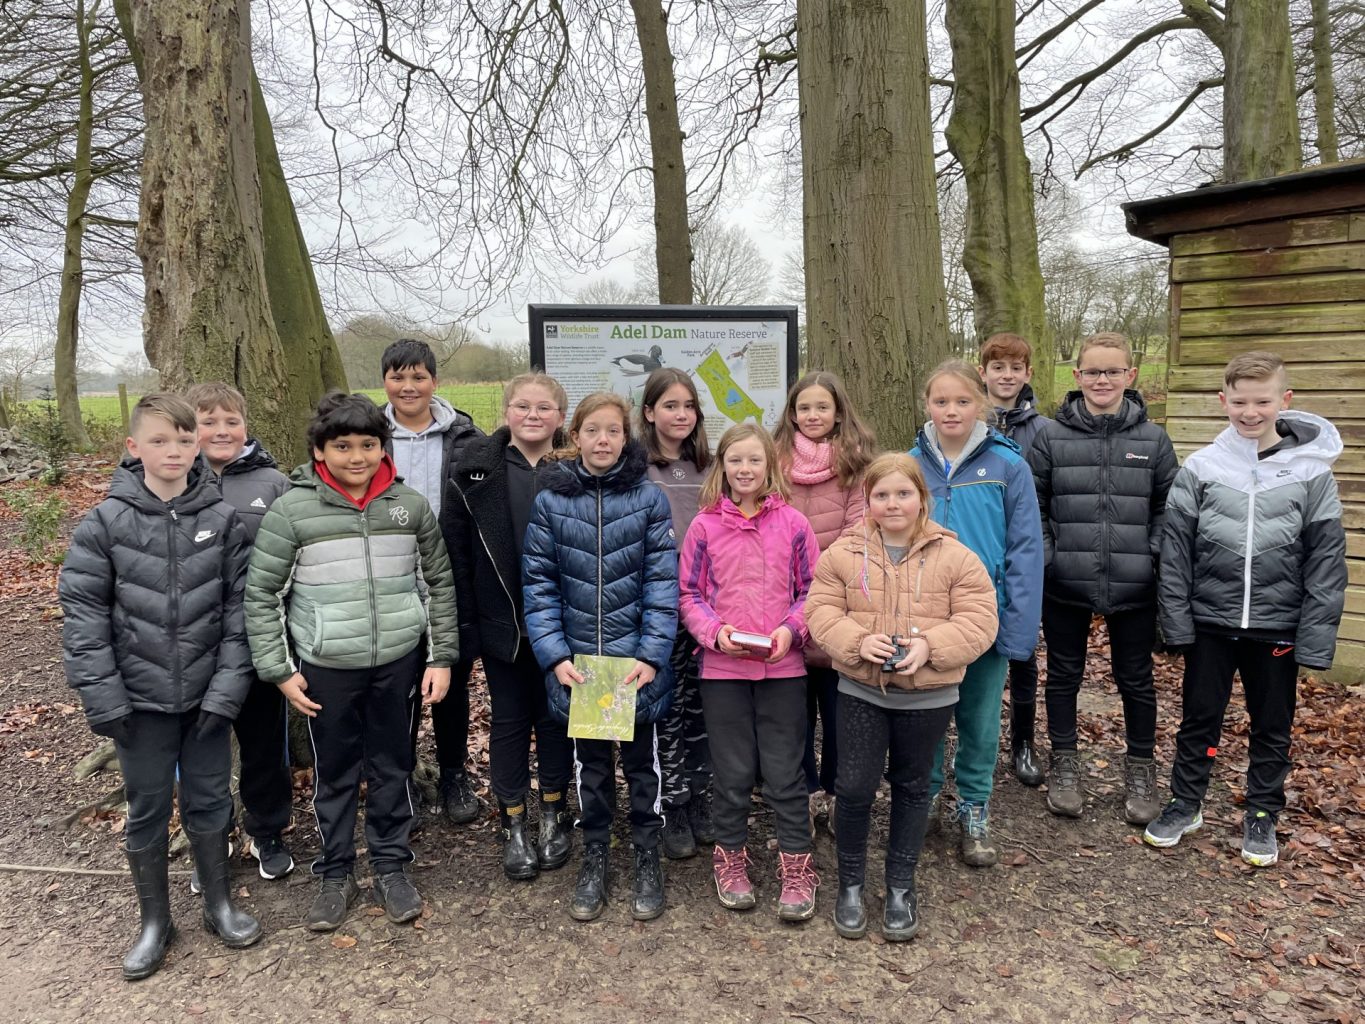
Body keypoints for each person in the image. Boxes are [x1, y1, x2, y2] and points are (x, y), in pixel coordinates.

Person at [60, 393, 262, 980]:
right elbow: (83, 617)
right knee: (147, 806)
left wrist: (226, 690)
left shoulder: (223, 522)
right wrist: (103, 696)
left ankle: (219, 905)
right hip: (138, 704)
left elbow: (241, 612)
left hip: (205, 701)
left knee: (210, 800)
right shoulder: (104, 524)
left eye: (183, 440)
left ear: (196, 445)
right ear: (134, 447)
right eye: (159, 440)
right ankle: (155, 922)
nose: (173, 451)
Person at [245, 392, 458, 932]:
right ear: (320, 451)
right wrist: (279, 669)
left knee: (393, 766)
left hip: (399, 662)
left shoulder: (409, 507)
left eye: (368, 444)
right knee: (335, 773)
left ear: (383, 447)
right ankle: (335, 871)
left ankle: (391, 866)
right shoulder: (292, 511)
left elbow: (437, 584)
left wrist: (441, 657)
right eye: (342, 446)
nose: (357, 456)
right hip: (326, 668)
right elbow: (263, 594)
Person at [1145, 352, 1346, 867]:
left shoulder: (1312, 472)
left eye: (1262, 401)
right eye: (1239, 402)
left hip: (1277, 625)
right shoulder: (1202, 467)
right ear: (1223, 401)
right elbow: (1176, 552)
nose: (1250, 412)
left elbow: (1326, 560)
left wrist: (1315, 636)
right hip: (1211, 623)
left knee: (1271, 724)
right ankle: (1186, 802)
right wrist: (1177, 622)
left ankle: (1261, 812)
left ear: (1285, 400)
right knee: (1199, 718)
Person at [807, 453, 998, 941]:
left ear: (921, 498)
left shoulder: (956, 557)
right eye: (881, 495)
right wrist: (856, 642)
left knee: (913, 787)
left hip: (928, 697)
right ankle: (851, 885)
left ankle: (899, 885)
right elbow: (821, 610)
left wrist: (931, 645)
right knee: (854, 788)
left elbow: (980, 619)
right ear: (867, 501)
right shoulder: (844, 554)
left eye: (903, 493)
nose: (892, 504)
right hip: (861, 692)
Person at [521, 392, 678, 923]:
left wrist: (652, 656)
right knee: (590, 768)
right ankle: (595, 856)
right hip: (582, 668)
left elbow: (662, 584)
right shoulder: (551, 502)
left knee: (642, 769)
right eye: (593, 431)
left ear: (625, 437)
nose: (603, 440)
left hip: (634, 667)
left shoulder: (649, 499)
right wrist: (554, 657)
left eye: (613, 431)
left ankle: (647, 855)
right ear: (576, 437)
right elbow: (538, 586)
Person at [1028, 333, 1177, 826]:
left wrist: (1150, 555)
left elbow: (1168, 506)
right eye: (1093, 371)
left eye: (1113, 371)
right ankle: (1065, 764)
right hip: (1065, 581)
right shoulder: (1051, 437)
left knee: (1135, 679)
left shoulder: (1153, 440)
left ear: (1130, 376)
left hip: (1135, 583)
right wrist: (1050, 558)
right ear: (1077, 376)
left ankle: (1141, 768)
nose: (1102, 380)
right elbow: (1035, 505)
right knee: (1063, 675)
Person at [679, 423, 822, 922]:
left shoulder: (794, 524)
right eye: (735, 460)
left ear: (770, 467)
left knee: (785, 772)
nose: (745, 469)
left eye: (754, 461)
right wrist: (714, 632)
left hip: (783, 670)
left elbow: (812, 591)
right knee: (733, 772)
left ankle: (797, 866)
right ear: (722, 466)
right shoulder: (703, 526)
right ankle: (731, 859)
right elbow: (689, 594)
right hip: (722, 670)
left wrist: (791, 632)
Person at [443, 373, 575, 882]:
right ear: (506, 412)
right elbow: (456, 555)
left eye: (544, 407)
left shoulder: (577, 469)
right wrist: (467, 626)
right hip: (506, 626)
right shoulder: (472, 472)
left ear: (561, 416)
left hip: (564, 626)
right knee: (511, 720)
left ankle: (554, 812)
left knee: (557, 719)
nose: (532, 415)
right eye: (522, 406)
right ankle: (513, 821)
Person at [910, 360, 1043, 866]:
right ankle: (924, 798)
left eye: (963, 401)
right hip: (922, 622)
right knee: (925, 718)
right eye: (941, 401)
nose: (951, 410)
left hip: (984, 619)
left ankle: (973, 805)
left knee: (980, 721)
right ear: (927, 405)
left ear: (980, 404)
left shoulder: (1008, 466)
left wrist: (1017, 628)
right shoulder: (910, 465)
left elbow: (1025, 550)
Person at [186, 382, 294, 882]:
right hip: (192, 643)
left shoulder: (273, 484)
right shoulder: (170, 481)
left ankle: (267, 830)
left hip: (256, 638)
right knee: (198, 747)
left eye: (231, 421)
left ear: (246, 426)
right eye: (208, 421)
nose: (221, 431)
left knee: (263, 742)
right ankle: (211, 836)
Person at [380, 338, 485, 825]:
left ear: (434, 382)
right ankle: (402, 776)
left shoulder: (465, 438)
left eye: (418, 377)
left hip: (450, 578)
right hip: (390, 581)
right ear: (385, 382)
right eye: (398, 377)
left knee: (452, 681)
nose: (409, 386)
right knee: (398, 684)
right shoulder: (369, 437)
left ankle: (454, 774)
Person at [773, 371, 875, 835]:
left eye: (822, 407)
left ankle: (835, 794)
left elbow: (858, 533)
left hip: (840, 604)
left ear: (837, 412)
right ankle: (804, 793)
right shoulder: (775, 462)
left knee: (839, 713)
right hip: (784, 605)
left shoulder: (856, 463)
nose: (813, 415)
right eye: (804, 408)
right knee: (792, 714)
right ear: (792, 414)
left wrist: (826, 595)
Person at [639, 368, 715, 860]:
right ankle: (673, 803)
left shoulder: (711, 467)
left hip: (707, 607)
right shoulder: (636, 468)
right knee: (666, 706)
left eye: (689, 406)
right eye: (670, 405)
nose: (681, 414)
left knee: (702, 705)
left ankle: (702, 796)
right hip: (657, 608)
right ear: (649, 412)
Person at [977, 333, 1051, 787]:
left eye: (1015, 368)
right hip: (978, 552)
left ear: (1028, 373)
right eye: (998, 367)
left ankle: (1023, 740)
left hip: (1023, 553)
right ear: (983, 372)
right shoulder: (965, 418)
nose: (1006, 376)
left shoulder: (1045, 431)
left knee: (1022, 652)